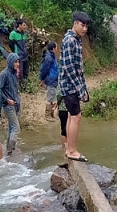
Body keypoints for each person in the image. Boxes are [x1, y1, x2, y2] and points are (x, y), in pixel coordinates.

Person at [59, 11, 91, 162]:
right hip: (69, 86)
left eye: (86, 26)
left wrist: (83, 88)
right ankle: (71, 150)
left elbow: (79, 68)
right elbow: (69, 68)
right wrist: (79, 88)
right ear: (75, 23)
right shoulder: (70, 40)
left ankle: (68, 148)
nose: (85, 29)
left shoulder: (76, 40)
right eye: (82, 25)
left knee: (72, 116)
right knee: (76, 116)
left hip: (72, 85)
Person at [0, 53, 22, 156]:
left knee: (11, 127)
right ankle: (11, 149)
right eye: (15, 62)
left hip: (15, 103)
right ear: (10, 62)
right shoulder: (4, 74)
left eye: (18, 62)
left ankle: (9, 150)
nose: (17, 64)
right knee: (16, 127)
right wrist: (7, 100)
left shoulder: (14, 73)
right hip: (8, 105)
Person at [39, 41, 59, 119]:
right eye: (56, 47)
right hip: (50, 79)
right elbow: (44, 69)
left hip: (53, 79)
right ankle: (47, 116)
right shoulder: (48, 58)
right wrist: (42, 79)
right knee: (50, 98)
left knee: (53, 96)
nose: (57, 49)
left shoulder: (52, 56)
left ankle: (51, 115)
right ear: (53, 48)